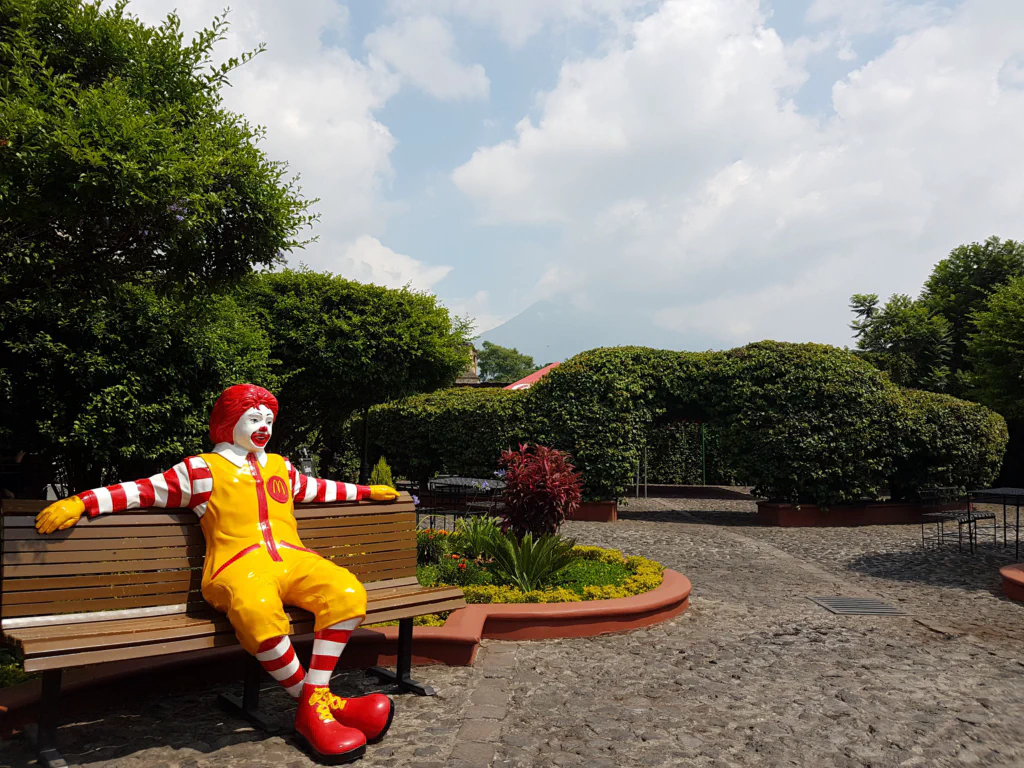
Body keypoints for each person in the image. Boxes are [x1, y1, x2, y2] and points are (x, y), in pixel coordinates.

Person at [35, 384, 400, 765]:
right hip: (236, 567)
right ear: (229, 422)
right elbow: (142, 491)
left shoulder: (280, 467)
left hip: (294, 559)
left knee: (346, 591)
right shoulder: (201, 471)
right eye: (254, 419)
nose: (264, 427)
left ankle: (316, 703)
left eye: (269, 421)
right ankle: (319, 708)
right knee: (257, 609)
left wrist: (365, 491)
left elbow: (319, 488)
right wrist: (83, 501)